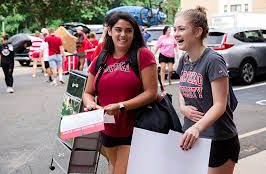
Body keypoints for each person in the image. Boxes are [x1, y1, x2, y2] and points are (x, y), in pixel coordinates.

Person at [82, 12, 158, 174]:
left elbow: (151, 92)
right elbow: (88, 92)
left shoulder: (143, 55)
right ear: (109, 31)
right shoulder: (101, 58)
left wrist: (121, 106)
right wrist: (90, 103)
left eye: (128, 30)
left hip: (136, 129)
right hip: (107, 130)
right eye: (118, 30)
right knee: (114, 168)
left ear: (134, 33)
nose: (123, 34)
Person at [174, 6, 240, 174]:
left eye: (181, 29)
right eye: (175, 29)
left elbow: (220, 104)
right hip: (191, 138)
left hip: (217, 139)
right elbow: (182, 89)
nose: (175, 33)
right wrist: (183, 108)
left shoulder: (213, 60)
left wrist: (197, 127)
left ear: (197, 32)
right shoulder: (184, 59)